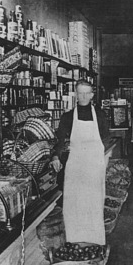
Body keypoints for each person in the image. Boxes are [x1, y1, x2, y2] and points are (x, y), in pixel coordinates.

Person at [52, 80, 109, 246]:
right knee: (73, 202)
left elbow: (106, 137)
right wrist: (56, 156)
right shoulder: (68, 117)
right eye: (80, 93)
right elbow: (60, 140)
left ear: (92, 95)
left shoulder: (100, 115)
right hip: (76, 164)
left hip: (94, 165)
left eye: (87, 93)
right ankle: (74, 239)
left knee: (93, 202)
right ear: (76, 94)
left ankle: (94, 240)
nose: (83, 96)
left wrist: (99, 156)